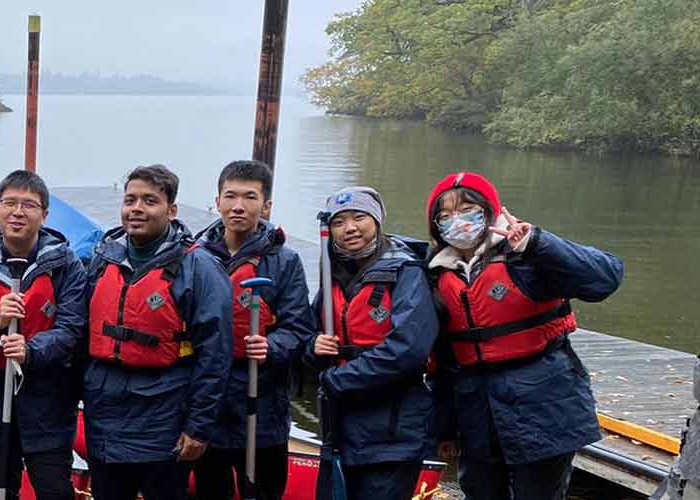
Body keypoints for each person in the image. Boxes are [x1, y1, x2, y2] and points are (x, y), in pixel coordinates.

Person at [424, 172, 623, 500]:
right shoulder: (437, 274)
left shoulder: (528, 256)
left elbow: (605, 278)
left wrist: (538, 244)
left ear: (489, 210)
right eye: (445, 215)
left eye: (468, 209)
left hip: (544, 403)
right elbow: (445, 360)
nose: (457, 221)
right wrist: (445, 428)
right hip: (477, 410)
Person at [81, 165, 232, 500]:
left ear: (171, 210)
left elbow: (215, 356)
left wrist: (198, 428)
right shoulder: (103, 259)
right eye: (130, 200)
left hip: (164, 415)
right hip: (104, 414)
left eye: (150, 201)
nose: (137, 208)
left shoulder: (199, 268)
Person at [191, 161, 318, 500]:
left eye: (249, 197)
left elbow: (298, 328)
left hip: (261, 405)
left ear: (266, 206)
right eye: (230, 196)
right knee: (209, 490)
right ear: (217, 201)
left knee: (263, 491)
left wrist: (272, 346)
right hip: (209, 406)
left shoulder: (284, 261)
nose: (238, 206)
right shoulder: (195, 257)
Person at [307, 186, 437, 500]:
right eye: (339, 222)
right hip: (340, 427)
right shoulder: (333, 275)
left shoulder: (406, 272)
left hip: (391, 431)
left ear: (377, 221)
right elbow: (307, 335)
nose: (349, 228)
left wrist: (338, 379)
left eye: (359, 218)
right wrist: (312, 347)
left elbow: (408, 349)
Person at [0, 171, 86, 500]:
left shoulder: (66, 265)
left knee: (52, 488)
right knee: (0, 487)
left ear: (44, 215)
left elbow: (72, 327)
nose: (18, 212)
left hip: (47, 395)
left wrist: (30, 350)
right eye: (10, 203)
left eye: (29, 205)